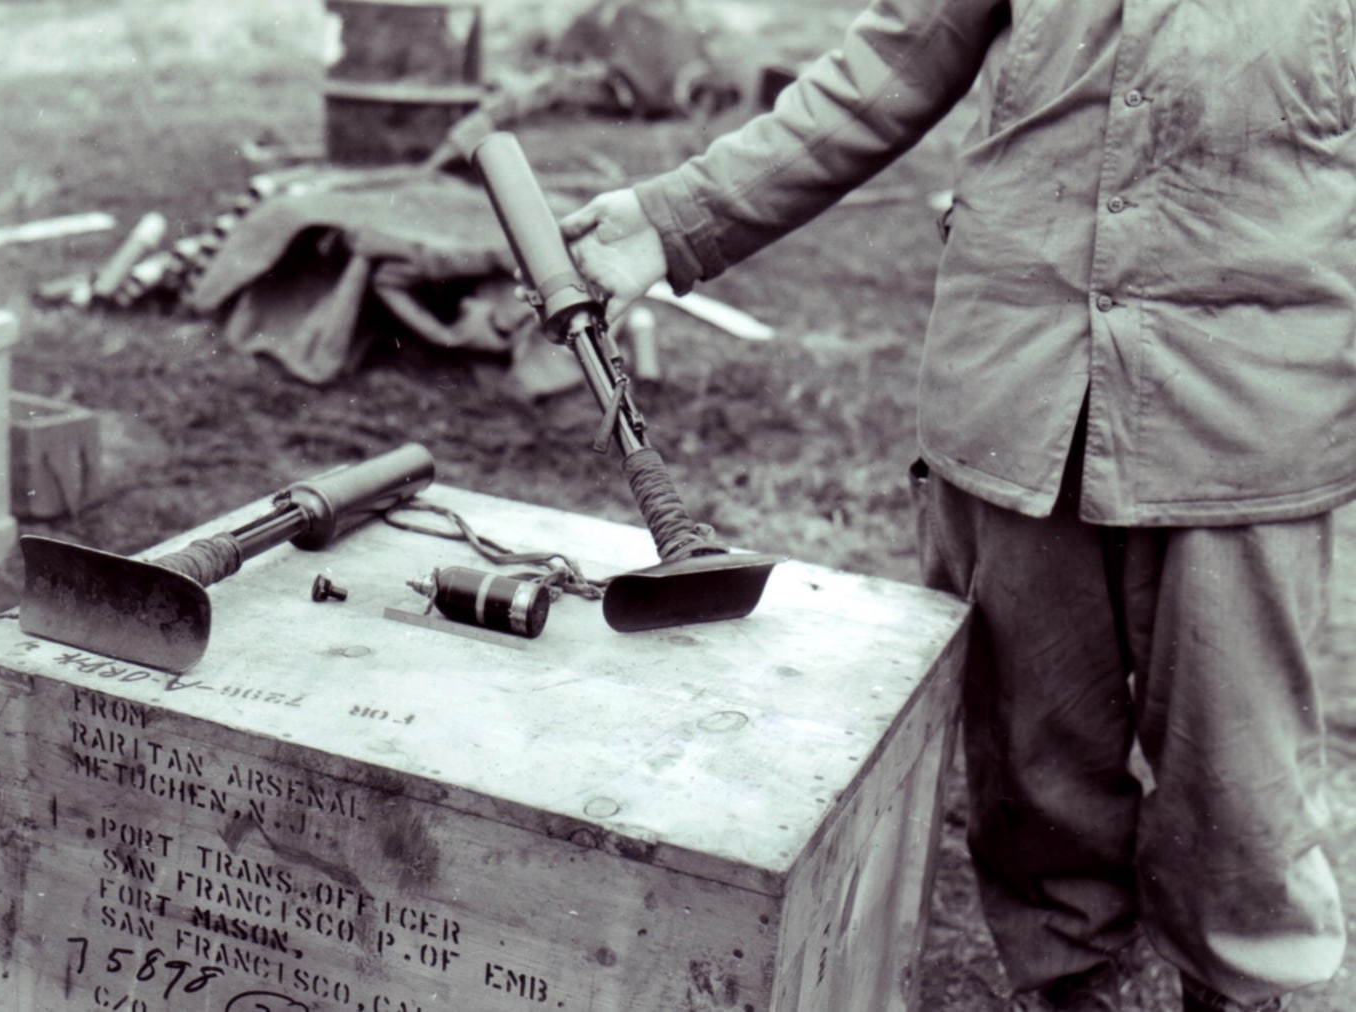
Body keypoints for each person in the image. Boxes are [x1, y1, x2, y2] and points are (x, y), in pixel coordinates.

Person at [552, 1, 1353, 1010]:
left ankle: (1242, 989)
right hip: (1018, 381)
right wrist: (673, 217)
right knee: (1031, 758)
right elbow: (893, 58)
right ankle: (1070, 984)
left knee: (1238, 790)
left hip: (1251, 402)